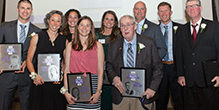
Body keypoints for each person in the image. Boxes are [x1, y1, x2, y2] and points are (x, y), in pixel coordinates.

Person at [106, 15, 163, 110]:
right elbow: (109, 65)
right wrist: (114, 78)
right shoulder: (114, 45)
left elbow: (158, 68)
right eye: (123, 26)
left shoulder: (149, 43)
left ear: (135, 26)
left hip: (143, 95)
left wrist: (152, 88)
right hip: (121, 96)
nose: (126, 28)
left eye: (129, 24)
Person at [175, 0, 219, 109]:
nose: (191, 9)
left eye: (194, 6)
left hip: (209, 80)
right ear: (186, 10)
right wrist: (180, 74)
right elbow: (178, 54)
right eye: (188, 7)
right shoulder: (181, 30)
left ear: (201, 8)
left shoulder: (214, 26)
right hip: (188, 82)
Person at [0, 0, 41, 109]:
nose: (25, 11)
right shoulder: (4, 27)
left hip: (26, 78)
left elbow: (37, 55)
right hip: (6, 77)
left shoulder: (37, 31)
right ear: (17, 9)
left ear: (31, 11)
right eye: (22, 8)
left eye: (28, 8)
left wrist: (27, 62)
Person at [26, 10, 66, 110]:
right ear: (48, 21)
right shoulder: (37, 37)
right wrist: (34, 76)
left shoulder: (64, 40)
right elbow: (29, 60)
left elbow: (65, 62)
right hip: (39, 82)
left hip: (55, 84)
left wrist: (61, 73)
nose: (55, 23)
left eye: (58, 21)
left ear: (61, 23)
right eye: (53, 20)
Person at [63, 16, 104, 110]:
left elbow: (101, 71)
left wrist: (98, 92)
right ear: (77, 27)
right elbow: (66, 70)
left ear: (91, 29)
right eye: (81, 25)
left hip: (92, 90)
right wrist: (66, 92)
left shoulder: (98, 46)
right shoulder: (70, 45)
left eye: (87, 26)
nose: (84, 28)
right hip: (73, 89)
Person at [156, 2, 183, 110]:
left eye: (166, 10)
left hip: (176, 68)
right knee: (161, 101)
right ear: (158, 13)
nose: (164, 13)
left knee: (179, 100)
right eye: (161, 11)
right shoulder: (155, 29)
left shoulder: (181, 28)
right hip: (161, 68)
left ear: (171, 12)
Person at [96, 10, 121, 110]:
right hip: (99, 72)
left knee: (113, 102)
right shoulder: (96, 36)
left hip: (114, 72)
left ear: (115, 22)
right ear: (102, 21)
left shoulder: (119, 36)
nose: (109, 21)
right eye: (107, 19)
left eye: (112, 19)